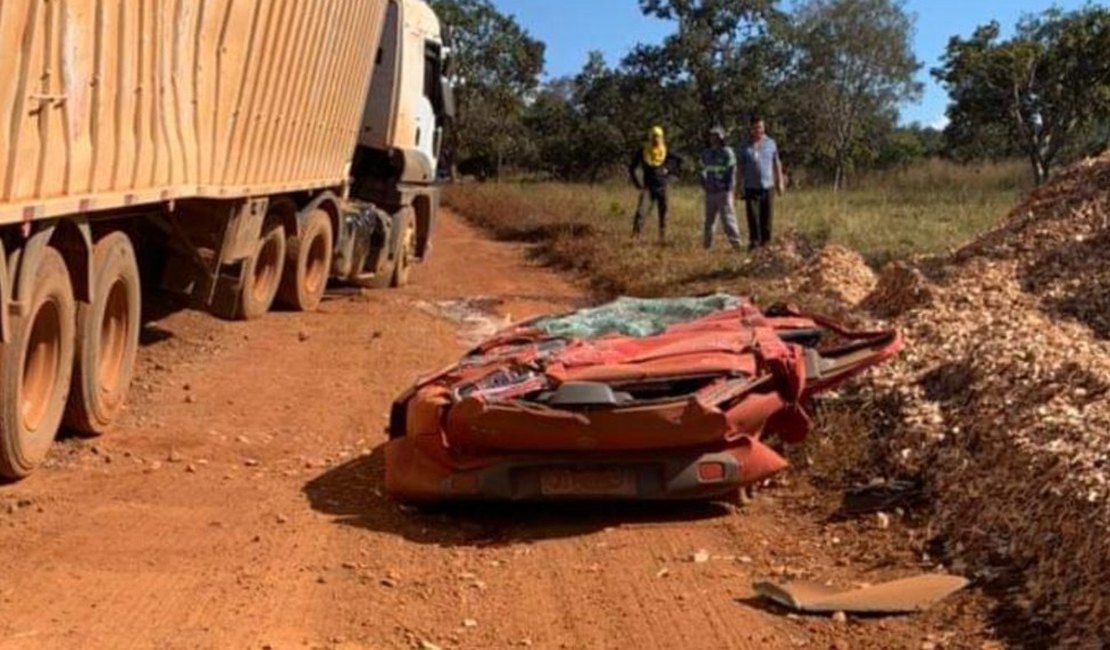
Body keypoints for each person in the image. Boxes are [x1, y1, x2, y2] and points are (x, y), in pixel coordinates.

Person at [628, 126, 682, 243]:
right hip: (648, 188)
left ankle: (662, 237)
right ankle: (635, 236)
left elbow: (679, 160)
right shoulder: (643, 151)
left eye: (658, 137)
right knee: (641, 212)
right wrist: (637, 183)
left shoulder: (666, 151)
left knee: (663, 214)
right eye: (654, 137)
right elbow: (632, 167)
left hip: (662, 187)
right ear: (650, 137)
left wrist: (668, 169)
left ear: (662, 138)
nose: (656, 140)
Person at [738, 115, 784, 249]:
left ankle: (766, 243)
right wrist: (738, 185)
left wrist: (779, 181)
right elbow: (740, 167)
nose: (758, 130)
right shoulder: (744, 145)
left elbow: (776, 163)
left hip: (768, 186)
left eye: (760, 127)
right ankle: (754, 243)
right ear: (751, 129)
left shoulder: (771, 143)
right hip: (751, 187)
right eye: (755, 128)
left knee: (767, 217)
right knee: (753, 217)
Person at [700, 125, 742, 251]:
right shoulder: (706, 153)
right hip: (710, 191)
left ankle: (736, 245)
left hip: (723, 191)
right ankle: (707, 246)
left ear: (722, 137)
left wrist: (729, 188)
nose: (714, 138)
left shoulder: (727, 152)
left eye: (716, 136)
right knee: (709, 221)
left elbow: (732, 171)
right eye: (712, 136)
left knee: (728, 219)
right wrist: (704, 183)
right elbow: (702, 170)